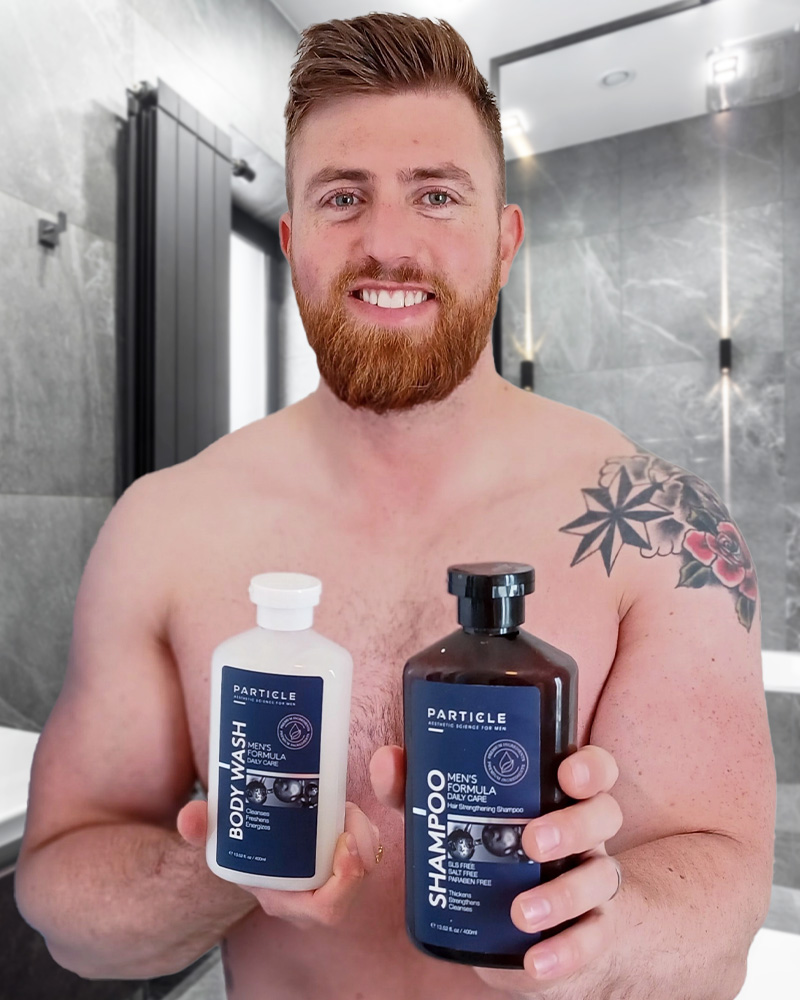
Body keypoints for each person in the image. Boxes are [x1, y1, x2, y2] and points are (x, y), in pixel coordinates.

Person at [15, 13, 775, 1000]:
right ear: (290, 244)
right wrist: (214, 870)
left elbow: (722, 899)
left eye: (435, 195)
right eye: (341, 198)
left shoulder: (650, 523)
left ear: (504, 240)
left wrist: (601, 932)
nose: (385, 242)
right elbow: (66, 912)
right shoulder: (166, 526)